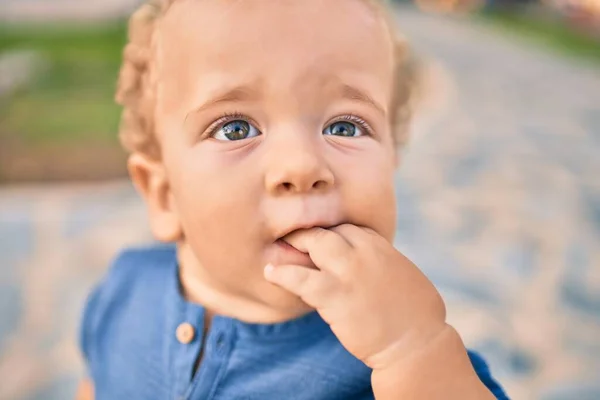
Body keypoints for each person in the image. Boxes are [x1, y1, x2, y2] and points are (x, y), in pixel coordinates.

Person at [77, 0, 508, 398]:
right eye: (235, 129)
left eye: (345, 127)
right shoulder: (124, 291)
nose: (302, 167)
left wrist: (413, 350)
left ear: (392, 159)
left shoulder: (402, 364)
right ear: (164, 195)